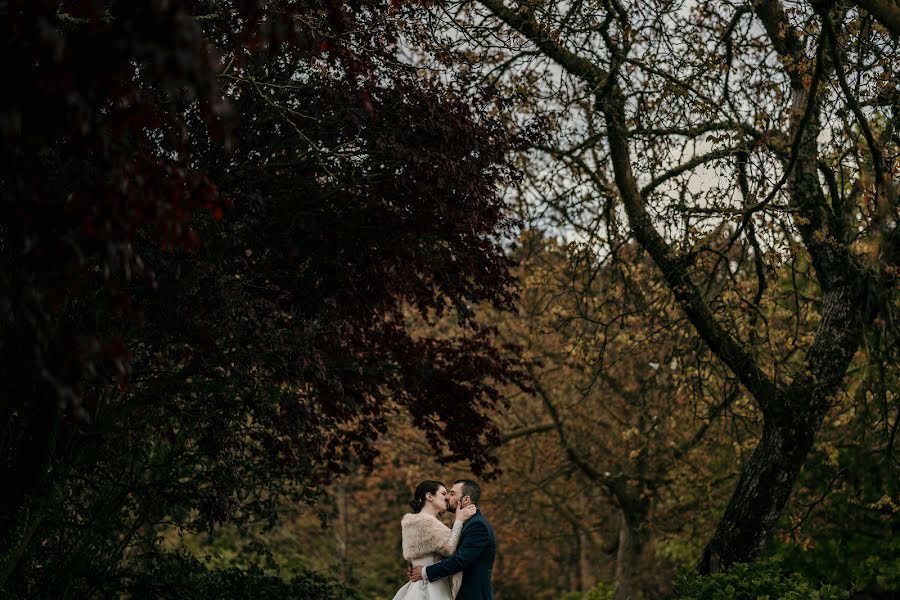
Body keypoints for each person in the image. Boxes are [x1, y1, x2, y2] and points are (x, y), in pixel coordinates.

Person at [409, 480, 496, 600]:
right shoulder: (466, 523)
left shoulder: (478, 526)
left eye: (452, 493)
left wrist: (425, 572)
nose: (447, 497)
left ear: (465, 500)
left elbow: (460, 560)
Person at [391, 480, 477, 600]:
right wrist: (459, 521)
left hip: (424, 582)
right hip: (429, 587)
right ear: (429, 496)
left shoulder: (415, 522)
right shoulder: (425, 522)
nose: (447, 498)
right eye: (443, 493)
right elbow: (449, 550)